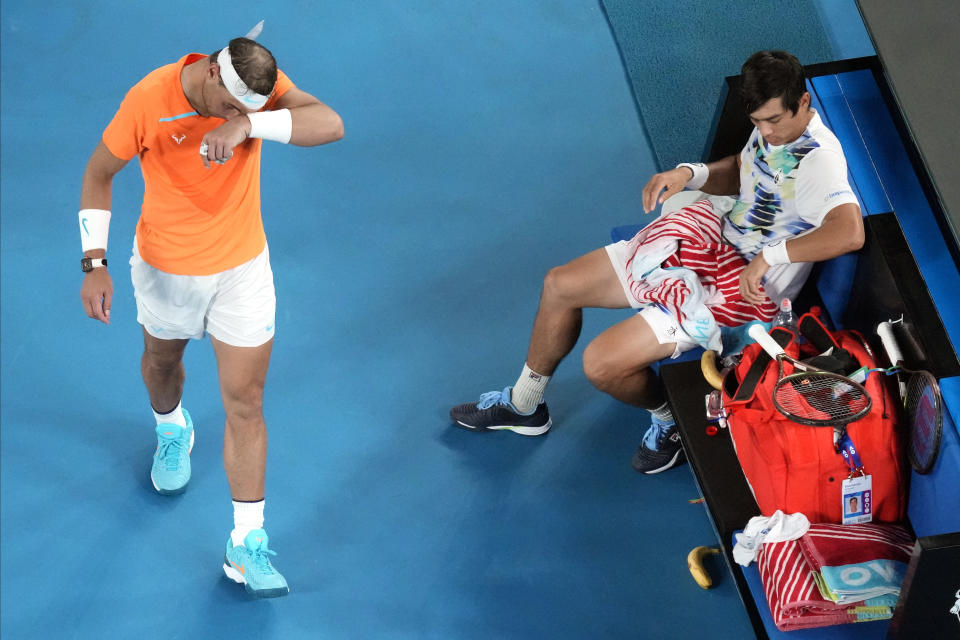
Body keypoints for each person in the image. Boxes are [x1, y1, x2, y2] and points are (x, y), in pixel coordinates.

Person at [450, 50, 864, 474]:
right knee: (560, 284)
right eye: (757, 122)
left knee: (602, 365)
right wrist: (691, 174)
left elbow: (850, 231)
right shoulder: (772, 130)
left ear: (804, 103)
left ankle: (672, 418)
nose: (766, 131)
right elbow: (746, 170)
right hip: (706, 240)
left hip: (736, 290)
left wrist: (769, 257)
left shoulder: (820, 159)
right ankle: (524, 405)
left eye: (774, 120)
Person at [78, 31, 343, 597]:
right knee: (160, 364)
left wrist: (248, 123)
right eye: (232, 106)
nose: (240, 113)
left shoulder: (253, 92)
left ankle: (246, 543)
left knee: (246, 402)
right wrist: (92, 263)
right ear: (213, 76)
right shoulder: (148, 98)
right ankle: (172, 427)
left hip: (242, 271)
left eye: (252, 108)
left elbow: (330, 124)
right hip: (165, 272)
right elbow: (99, 173)